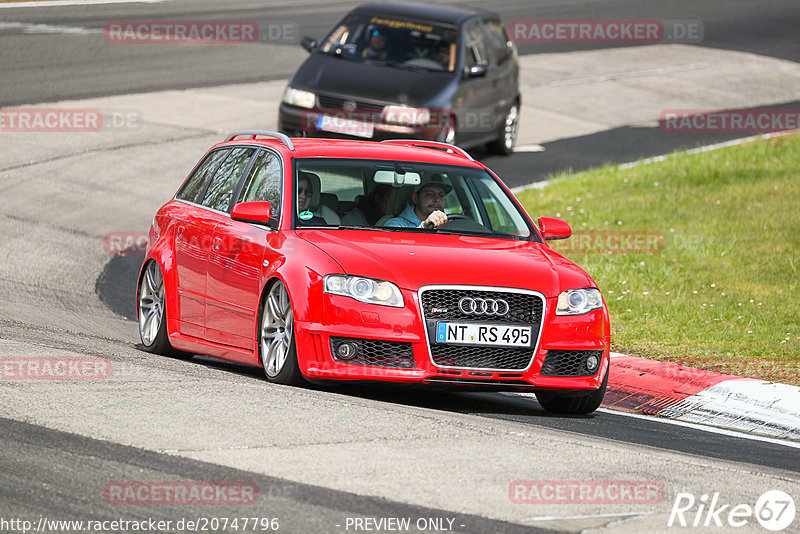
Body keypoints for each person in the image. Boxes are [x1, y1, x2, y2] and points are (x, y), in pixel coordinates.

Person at [384, 175, 451, 229]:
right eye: (430, 194)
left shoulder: (449, 224)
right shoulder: (396, 225)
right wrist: (424, 227)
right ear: (415, 198)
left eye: (441, 195)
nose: (437, 199)